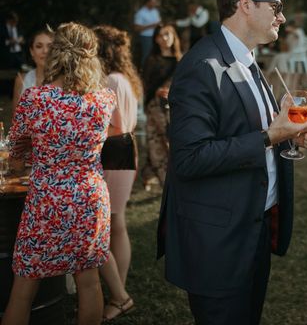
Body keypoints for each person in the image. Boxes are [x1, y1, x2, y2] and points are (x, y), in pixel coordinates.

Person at [156, 0, 307, 325]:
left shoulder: (249, 61)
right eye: (275, 7)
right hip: (219, 242)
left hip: (255, 229)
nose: (281, 16)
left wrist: (289, 136)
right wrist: (270, 137)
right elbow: (189, 158)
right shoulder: (201, 66)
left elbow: (249, 131)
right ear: (245, 4)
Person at [3, 22, 116, 325]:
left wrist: (25, 159)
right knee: (88, 280)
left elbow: (15, 151)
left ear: (55, 54)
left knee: (25, 284)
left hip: (47, 201)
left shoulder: (35, 99)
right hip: (90, 198)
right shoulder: (104, 100)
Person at [94, 25, 143, 320]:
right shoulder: (125, 77)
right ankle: (118, 288)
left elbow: (117, 124)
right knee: (116, 222)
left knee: (111, 223)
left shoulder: (111, 79)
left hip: (114, 150)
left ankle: (118, 293)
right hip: (125, 150)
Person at [141, 23, 182, 191]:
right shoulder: (152, 60)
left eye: (168, 34)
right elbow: (146, 86)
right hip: (156, 107)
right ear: (156, 39)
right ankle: (166, 180)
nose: (165, 38)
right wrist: (158, 91)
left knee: (170, 142)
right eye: (161, 35)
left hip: (175, 107)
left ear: (174, 36)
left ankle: (151, 173)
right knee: (162, 141)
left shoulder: (181, 60)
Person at [12, 28, 54, 111]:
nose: (45, 51)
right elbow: (15, 118)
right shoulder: (21, 80)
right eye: (39, 46)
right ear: (31, 51)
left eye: (49, 46)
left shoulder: (65, 81)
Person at [134, 0, 162, 68]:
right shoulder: (141, 13)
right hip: (146, 37)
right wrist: (151, 26)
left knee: (156, 55)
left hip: (156, 36)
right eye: (153, 2)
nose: (155, 4)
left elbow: (158, 22)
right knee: (147, 55)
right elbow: (137, 28)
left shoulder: (155, 11)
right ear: (148, 2)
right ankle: (144, 71)